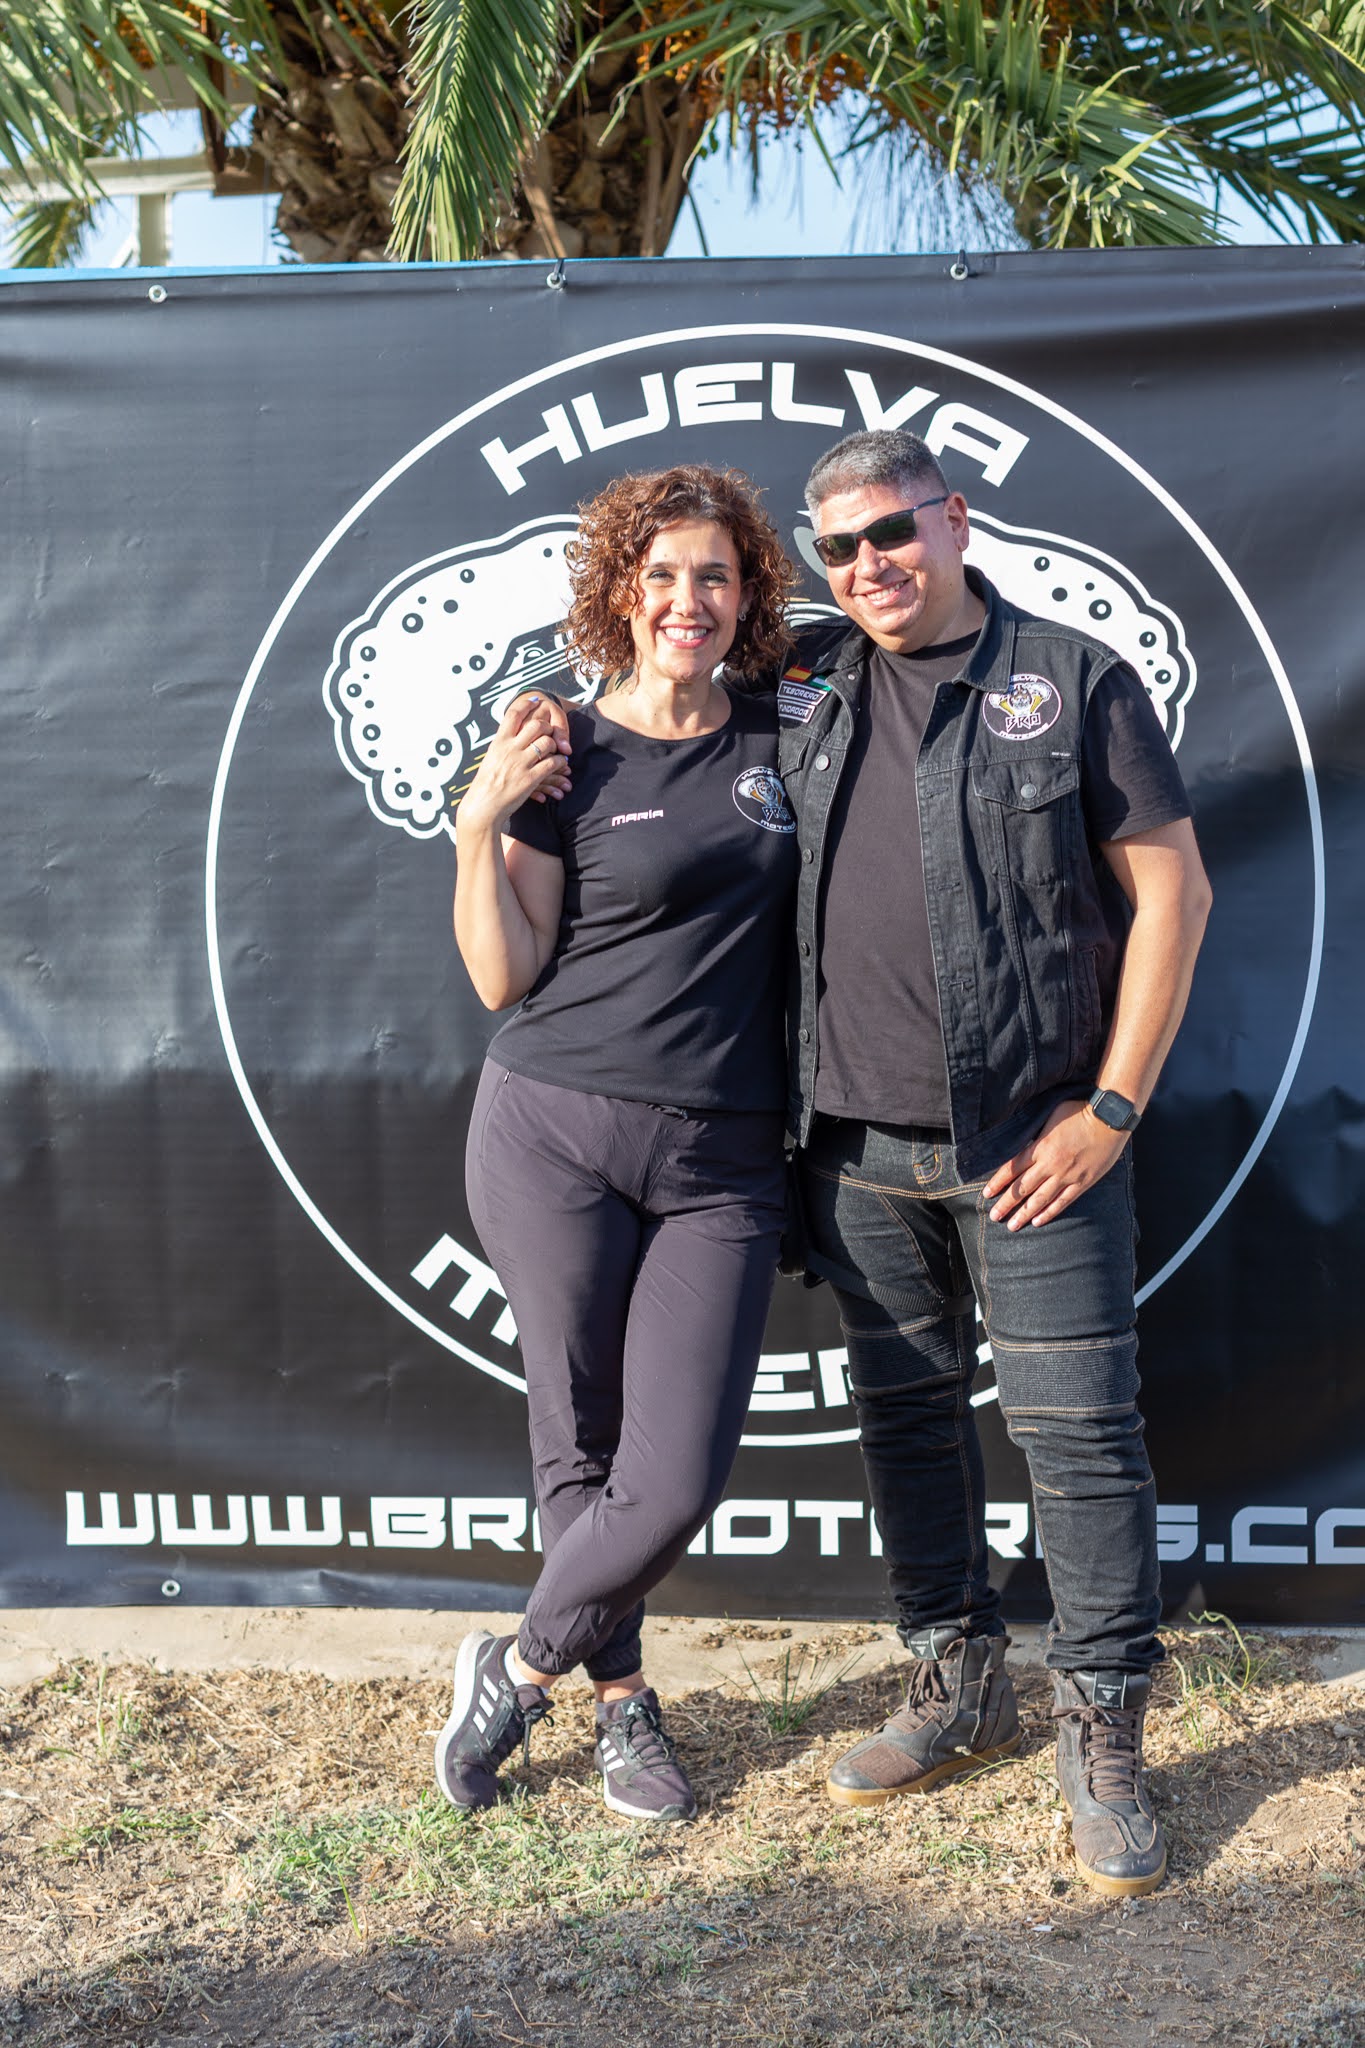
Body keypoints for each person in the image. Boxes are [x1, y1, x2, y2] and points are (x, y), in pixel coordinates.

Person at [781, 428, 1212, 1897]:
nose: (868, 567)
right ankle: (959, 1687)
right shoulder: (806, 685)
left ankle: (1104, 1730)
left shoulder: (1072, 680)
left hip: (1032, 1142)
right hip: (850, 1148)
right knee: (908, 1427)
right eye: (839, 549)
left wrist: (1110, 1109)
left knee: (1078, 1440)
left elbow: (1172, 895)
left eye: (891, 532)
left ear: (954, 518)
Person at [436, 465, 799, 1822]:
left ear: (748, 594)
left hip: (724, 1158)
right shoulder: (564, 752)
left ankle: (519, 1666)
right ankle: (623, 1705)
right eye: (658, 577)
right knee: (577, 1447)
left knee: (675, 1476)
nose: (684, 601)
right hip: (553, 1133)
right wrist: (477, 825)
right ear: (618, 595)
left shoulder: (793, 731)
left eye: (712, 575)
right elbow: (503, 974)